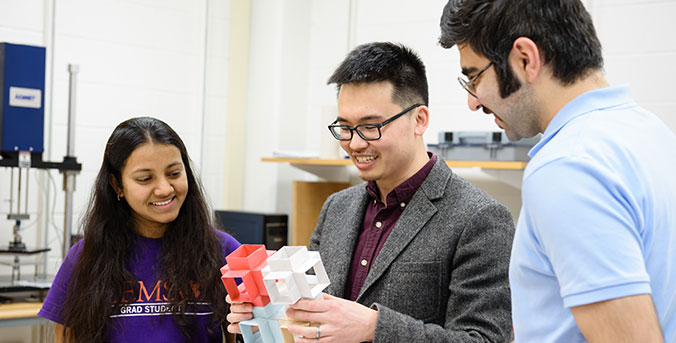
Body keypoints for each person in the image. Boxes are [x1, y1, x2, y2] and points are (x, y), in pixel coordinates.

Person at [227, 42, 515, 342]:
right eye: (345, 127)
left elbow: (484, 339)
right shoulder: (337, 208)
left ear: (419, 120)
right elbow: (313, 314)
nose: (355, 144)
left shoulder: (479, 217)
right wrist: (267, 313)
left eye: (370, 127)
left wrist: (375, 328)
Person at [439, 1, 676, 342]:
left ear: (525, 59)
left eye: (474, 76)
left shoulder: (567, 166)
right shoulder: (652, 133)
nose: (473, 101)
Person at [38, 117, 241, 342]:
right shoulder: (86, 258)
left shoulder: (224, 251)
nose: (165, 189)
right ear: (118, 185)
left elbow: (255, 332)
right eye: (145, 179)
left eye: (174, 173)